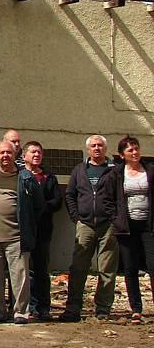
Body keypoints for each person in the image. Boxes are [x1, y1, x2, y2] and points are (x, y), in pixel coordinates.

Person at [0, 140, 44, 325]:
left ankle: (21, 313)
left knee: (20, 278)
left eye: (9, 152)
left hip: (17, 237)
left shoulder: (25, 177)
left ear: (16, 155)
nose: (5, 155)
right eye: (2, 153)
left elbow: (38, 206)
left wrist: (28, 226)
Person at [59, 135, 118, 322]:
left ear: (105, 149)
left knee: (106, 269)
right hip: (85, 225)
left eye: (100, 145)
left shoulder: (114, 170)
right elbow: (70, 195)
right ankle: (73, 308)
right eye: (93, 146)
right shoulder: (79, 170)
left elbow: (120, 197)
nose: (97, 148)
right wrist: (76, 218)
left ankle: (103, 309)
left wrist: (115, 219)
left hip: (108, 226)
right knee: (78, 267)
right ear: (88, 149)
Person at [103, 135, 154, 324]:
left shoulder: (149, 171)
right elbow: (107, 200)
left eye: (136, 148)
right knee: (130, 268)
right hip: (127, 227)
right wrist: (116, 219)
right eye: (130, 150)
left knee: (152, 265)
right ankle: (136, 309)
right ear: (122, 154)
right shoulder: (116, 174)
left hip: (148, 226)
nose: (135, 152)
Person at [23, 141, 61, 320]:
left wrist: (42, 207)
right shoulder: (20, 176)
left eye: (39, 152)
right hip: (24, 230)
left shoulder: (48, 177)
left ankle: (44, 307)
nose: (36, 155)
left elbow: (57, 201)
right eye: (33, 152)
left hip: (43, 231)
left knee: (41, 270)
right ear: (24, 156)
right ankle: (30, 306)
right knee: (26, 272)